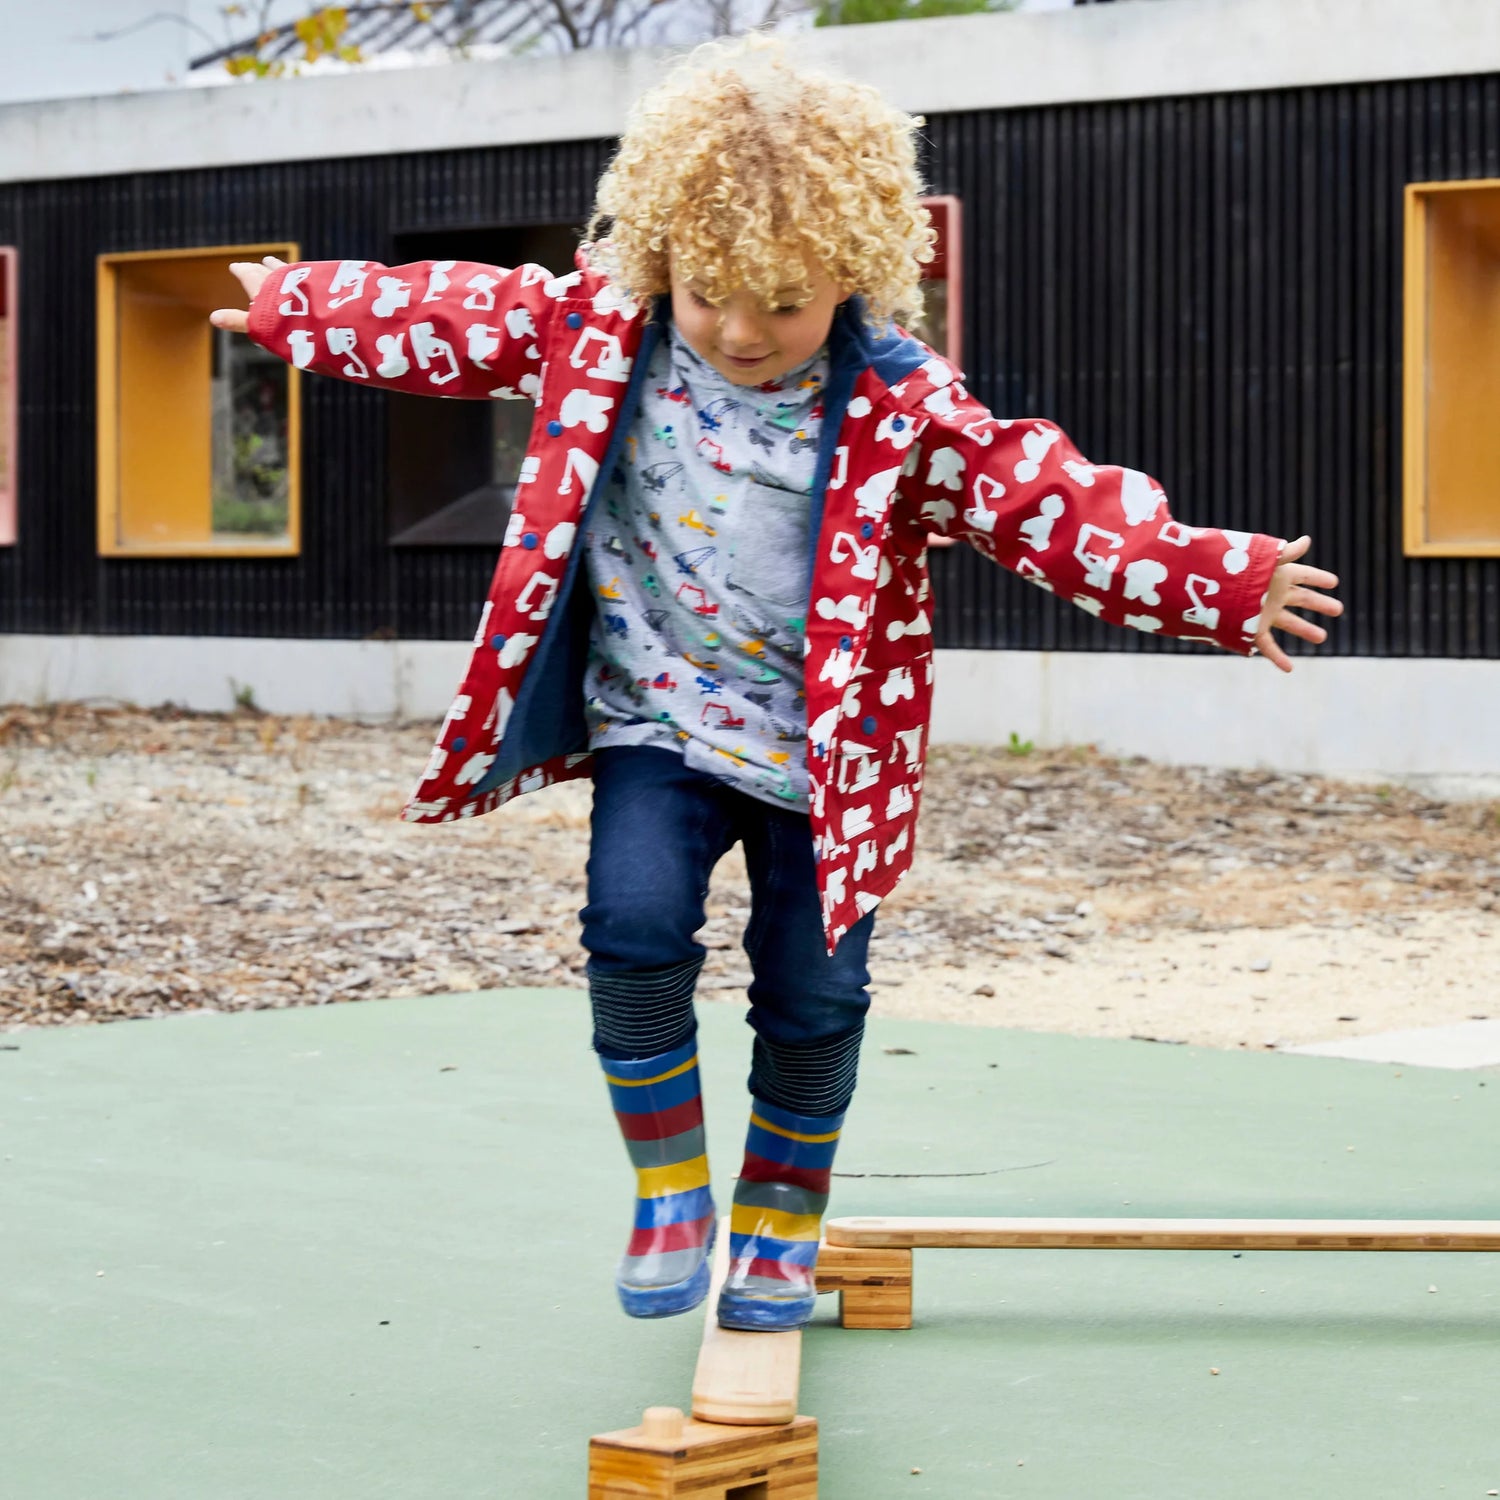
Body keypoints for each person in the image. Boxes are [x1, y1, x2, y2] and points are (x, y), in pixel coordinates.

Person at [210, 34, 1342, 1333]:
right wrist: (305, 307)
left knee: (816, 992)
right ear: (659, 262)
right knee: (632, 926)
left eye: (785, 301)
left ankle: (777, 1229)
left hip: (824, 763)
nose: (742, 331)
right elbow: (459, 315)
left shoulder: (903, 405)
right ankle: (672, 1198)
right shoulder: (598, 332)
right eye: (709, 295)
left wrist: (1213, 578)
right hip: (660, 722)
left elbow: (1051, 504)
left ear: (855, 273)